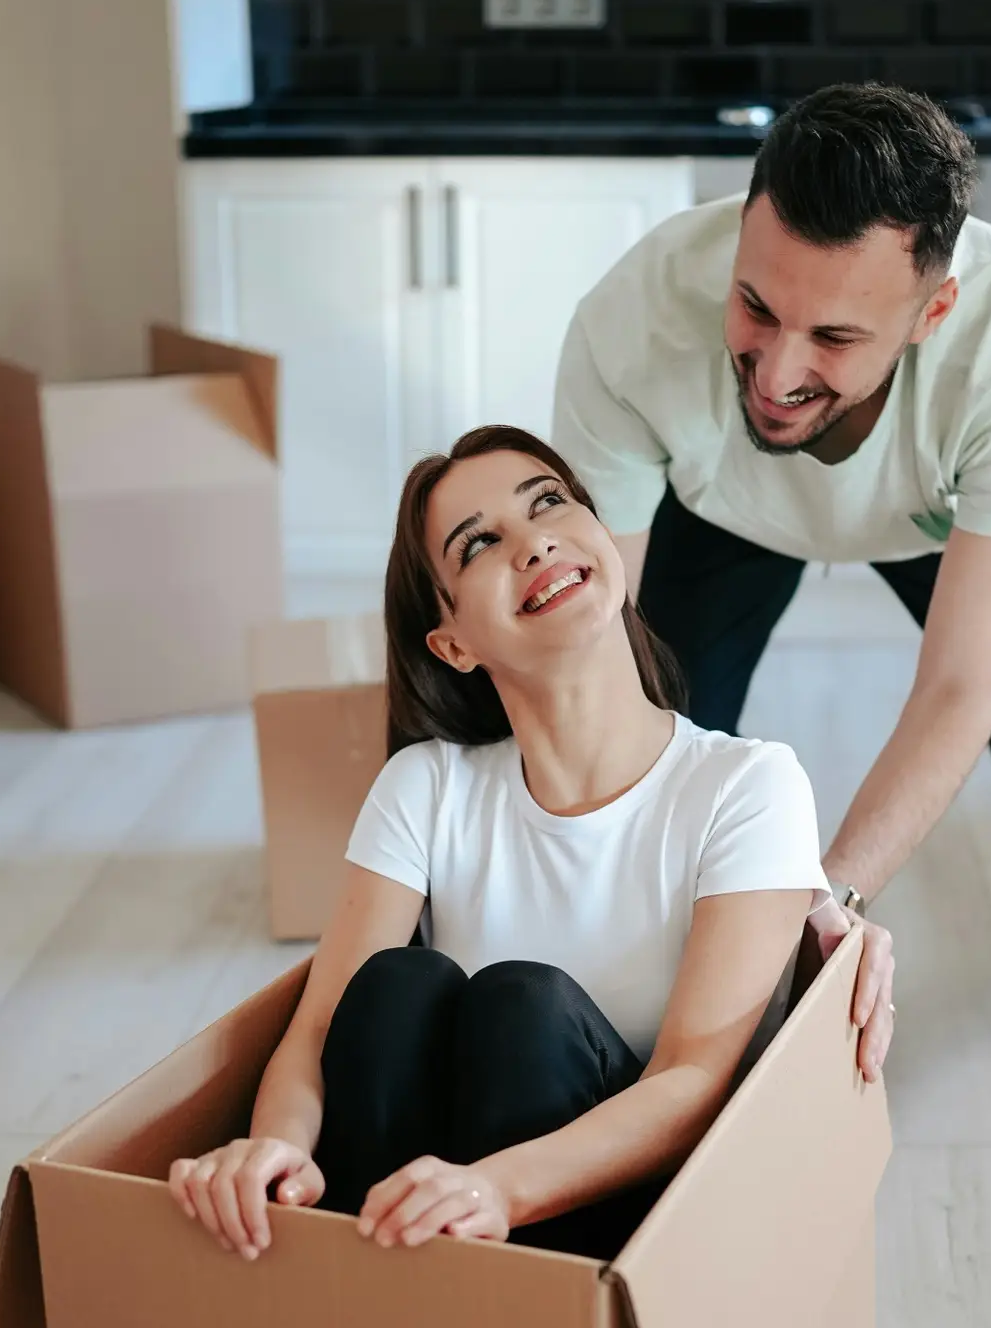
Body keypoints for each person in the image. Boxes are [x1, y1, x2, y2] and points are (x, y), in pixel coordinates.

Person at [168, 425, 893, 1265]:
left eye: (548, 501)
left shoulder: (746, 786)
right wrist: (279, 1148)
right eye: (479, 543)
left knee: (524, 1008)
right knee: (398, 983)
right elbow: (314, 1033)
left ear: (602, 536)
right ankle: (352, 1285)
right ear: (453, 645)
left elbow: (693, 1080)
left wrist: (499, 1189)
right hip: (411, 1215)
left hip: (627, 1235)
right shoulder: (427, 787)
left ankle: (499, 1325)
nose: (534, 540)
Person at [553, 81, 991, 992]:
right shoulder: (630, 322)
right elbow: (596, 642)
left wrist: (834, 896)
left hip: (942, 520)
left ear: (933, 313)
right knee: (664, 730)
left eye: (835, 336)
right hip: (722, 505)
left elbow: (963, 688)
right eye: (756, 307)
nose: (776, 374)